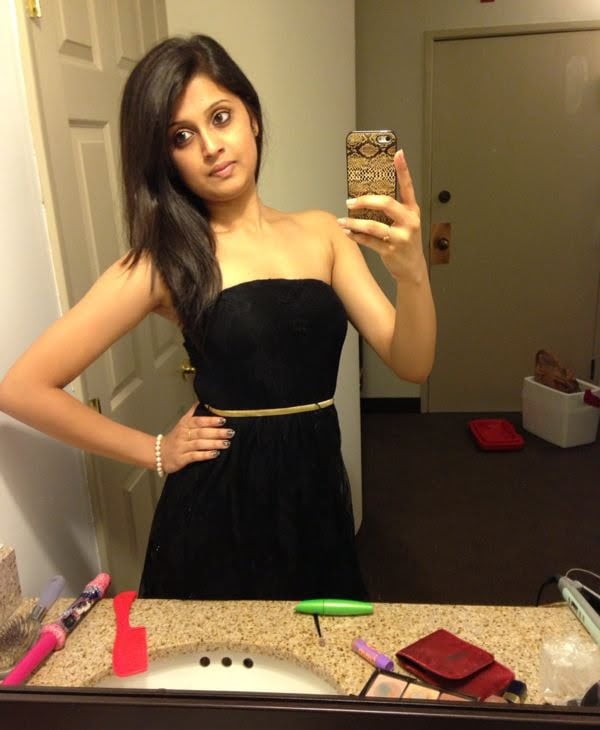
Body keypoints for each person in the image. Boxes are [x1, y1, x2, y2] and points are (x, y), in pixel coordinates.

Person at [0, 35, 435, 600]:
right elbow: (22, 388)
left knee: (321, 646)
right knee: (221, 654)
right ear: (167, 159)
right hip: (219, 505)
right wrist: (154, 450)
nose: (210, 146)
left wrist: (412, 273)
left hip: (315, 489)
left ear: (251, 116)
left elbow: (412, 363)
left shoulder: (324, 233)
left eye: (220, 117)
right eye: (181, 136)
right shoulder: (164, 260)